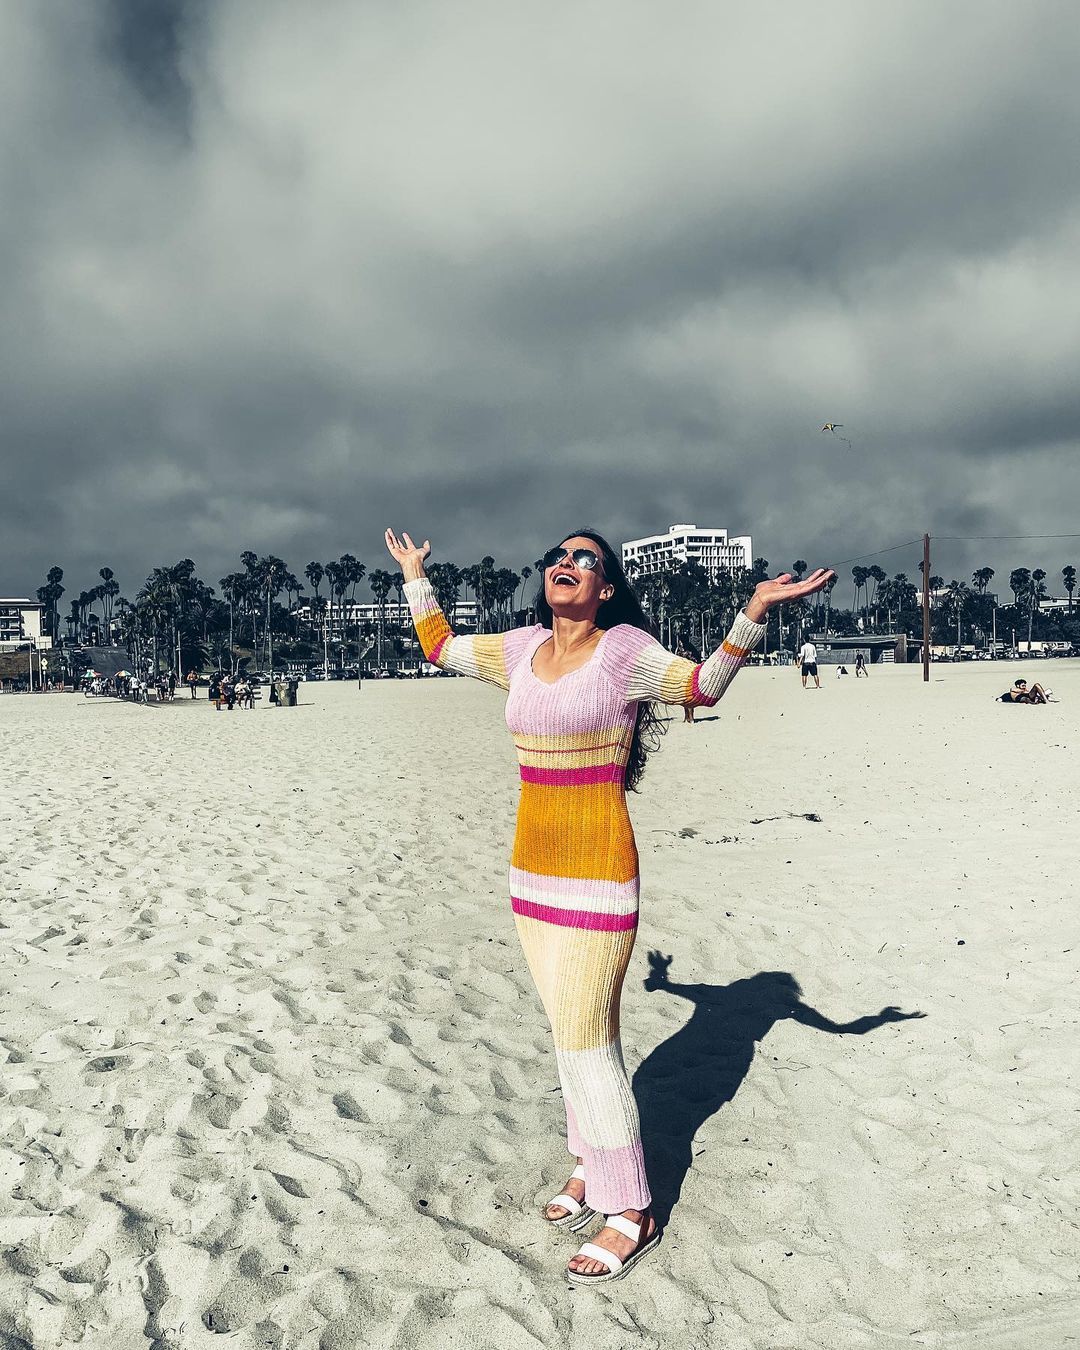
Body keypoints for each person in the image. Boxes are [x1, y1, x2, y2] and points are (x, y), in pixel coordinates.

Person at [385, 525, 831, 1284]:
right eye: (558, 555)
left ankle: (631, 1207)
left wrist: (754, 609)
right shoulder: (519, 649)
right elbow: (439, 646)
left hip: (598, 875)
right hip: (532, 876)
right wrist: (414, 574)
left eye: (585, 559)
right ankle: (590, 1163)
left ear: (606, 587)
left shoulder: (623, 652)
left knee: (589, 1041)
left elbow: (702, 686)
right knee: (568, 1035)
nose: (566, 563)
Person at [674, 640, 701, 721]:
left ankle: (691, 716)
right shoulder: (678, 650)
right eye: (679, 641)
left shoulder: (691, 649)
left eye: (681, 641)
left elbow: (696, 660)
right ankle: (686, 716)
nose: (680, 643)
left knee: (689, 696)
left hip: (689, 673)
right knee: (683, 697)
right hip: (681, 674)